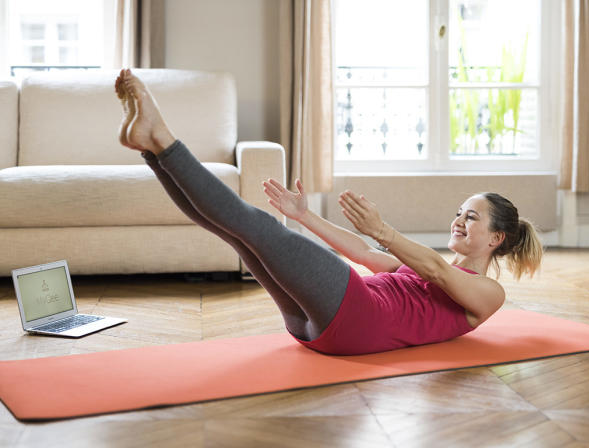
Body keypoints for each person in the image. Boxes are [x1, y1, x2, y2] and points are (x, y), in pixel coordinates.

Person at [114, 69, 543, 355]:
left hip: (356, 318)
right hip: (314, 327)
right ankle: (153, 150)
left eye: (471, 217)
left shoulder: (488, 295)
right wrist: (304, 216)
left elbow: (437, 272)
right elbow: (363, 253)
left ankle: (162, 136)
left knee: (258, 227)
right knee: (239, 237)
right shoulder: (420, 265)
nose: (458, 220)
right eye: (459, 212)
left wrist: (386, 230)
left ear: (495, 239)